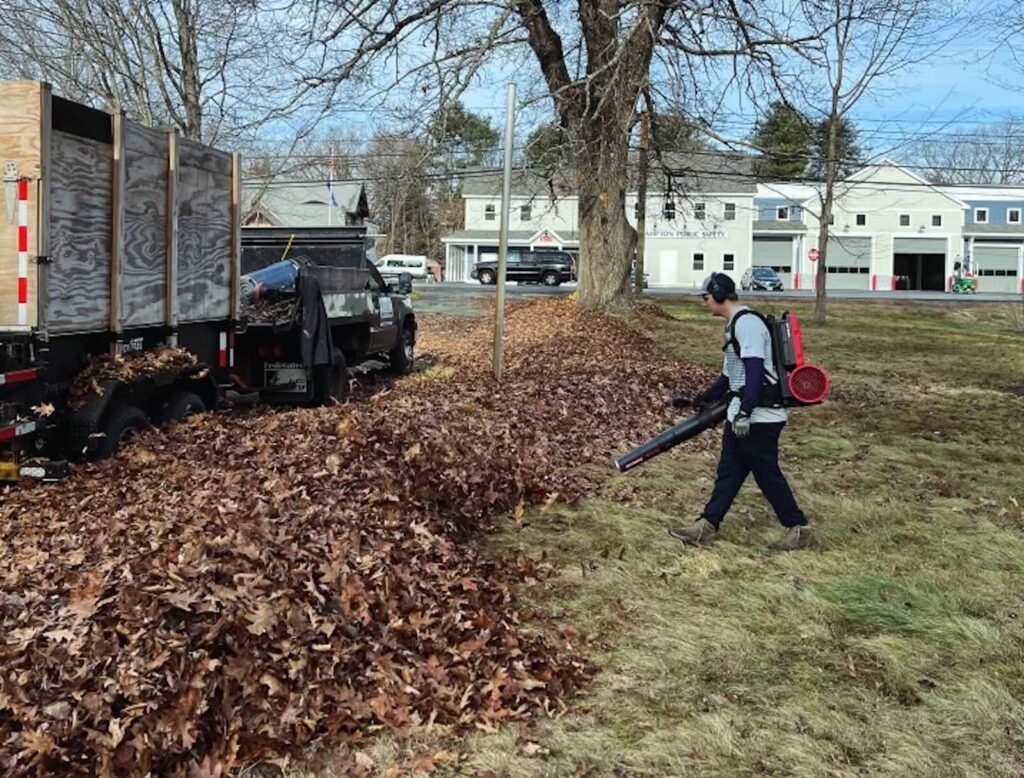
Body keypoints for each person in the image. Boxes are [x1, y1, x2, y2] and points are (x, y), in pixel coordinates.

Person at [668, 272, 814, 551]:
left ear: (720, 295)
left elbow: (756, 373)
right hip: (742, 414)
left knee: (767, 475)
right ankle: (707, 525)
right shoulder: (734, 326)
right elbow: (729, 377)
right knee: (729, 472)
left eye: (706, 297)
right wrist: (700, 399)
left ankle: (799, 528)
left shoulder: (747, 325)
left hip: (760, 417)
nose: (704, 303)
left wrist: (746, 412)